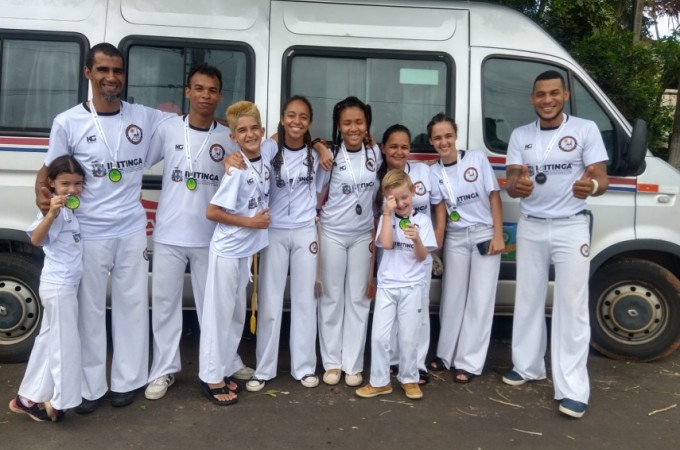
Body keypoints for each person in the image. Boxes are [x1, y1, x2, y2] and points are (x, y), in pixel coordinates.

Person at [34, 42, 173, 413]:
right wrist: (44, 203)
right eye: (103, 70)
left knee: (131, 305)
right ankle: (90, 387)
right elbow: (49, 172)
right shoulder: (68, 121)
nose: (112, 78)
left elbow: (193, 127)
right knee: (90, 310)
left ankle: (127, 381)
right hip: (88, 230)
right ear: (88, 74)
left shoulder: (143, 116)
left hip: (130, 227)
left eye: (117, 71)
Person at [503, 70, 609, 419]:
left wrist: (590, 188)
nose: (546, 100)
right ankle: (528, 365)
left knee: (571, 306)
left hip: (571, 227)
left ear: (564, 95)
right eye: (540, 95)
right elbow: (514, 177)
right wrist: (517, 186)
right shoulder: (521, 135)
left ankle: (573, 389)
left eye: (553, 94)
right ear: (532, 99)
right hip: (532, 225)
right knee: (528, 297)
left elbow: (600, 177)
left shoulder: (584, 130)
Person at [144, 63, 250, 401]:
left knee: (217, 308)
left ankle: (223, 362)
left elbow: (260, 156)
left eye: (212, 90)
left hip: (211, 237)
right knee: (164, 306)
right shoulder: (167, 129)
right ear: (187, 92)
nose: (206, 96)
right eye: (199, 89)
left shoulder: (228, 138)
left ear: (220, 96)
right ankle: (163, 369)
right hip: (169, 234)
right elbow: (135, 163)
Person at [245, 96, 327, 392]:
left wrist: (317, 144)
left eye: (303, 117)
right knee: (269, 300)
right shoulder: (268, 148)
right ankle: (264, 369)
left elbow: (317, 191)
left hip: (305, 231)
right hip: (274, 231)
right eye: (291, 115)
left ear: (310, 122)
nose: (296, 121)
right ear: (282, 119)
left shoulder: (317, 155)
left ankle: (304, 367)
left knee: (306, 301)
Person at [198, 100, 273, 405]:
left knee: (235, 314)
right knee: (219, 315)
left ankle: (227, 364)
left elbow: (286, 138)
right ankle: (210, 376)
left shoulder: (264, 154)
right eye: (242, 130)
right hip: (228, 250)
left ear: (263, 131)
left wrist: (319, 144)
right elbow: (212, 212)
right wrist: (251, 222)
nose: (250, 134)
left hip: (245, 251)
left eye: (255, 128)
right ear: (233, 137)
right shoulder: (236, 170)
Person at [427, 113, 504, 383]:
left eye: (447, 135)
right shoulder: (432, 172)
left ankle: (468, 362)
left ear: (455, 136)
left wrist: (498, 234)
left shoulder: (476, 159)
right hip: (456, 238)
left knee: (480, 300)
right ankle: (445, 355)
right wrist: (437, 243)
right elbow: (441, 211)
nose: (443, 141)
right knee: (452, 297)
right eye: (437, 138)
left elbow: (494, 196)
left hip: (484, 234)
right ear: (431, 141)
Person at [10, 156, 86, 422]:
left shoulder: (75, 208)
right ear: (52, 183)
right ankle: (60, 401)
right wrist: (51, 213)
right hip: (58, 285)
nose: (72, 189)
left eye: (78, 183)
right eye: (65, 183)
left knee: (48, 340)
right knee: (66, 343)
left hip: (69, 283)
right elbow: (36, 239)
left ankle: (26, 398)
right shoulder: (49, 210)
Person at [318, 96, 382, 387]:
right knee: (331, 298)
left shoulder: (375, 153)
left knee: (358, 299)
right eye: (347, 123)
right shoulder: (329, 154)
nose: (353, 128)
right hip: (332, 233)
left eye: (359, 122)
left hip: (362, 235)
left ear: (367, 124)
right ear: (338, 126)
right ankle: (332, 363)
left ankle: (352, 365)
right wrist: (317, 144)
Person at [355, 169, 436, 401]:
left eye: (404, 197)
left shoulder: (422, 221)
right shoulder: (385, 220)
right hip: (388, 287)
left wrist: (417, 239)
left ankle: (409, 378)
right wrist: (388, 214)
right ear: (386, 199)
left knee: (409, 337)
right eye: (394, 199)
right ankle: (380, 381)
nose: (401, 203)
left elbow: (422, 256)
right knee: (380, 336)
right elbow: (387, 245)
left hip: (412, 287)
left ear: (412, 193)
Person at [376, 125, 435, 385]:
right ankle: (392, 363)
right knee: (394, 318)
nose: (399, 151)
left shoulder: (422, 171)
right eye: (393, 146)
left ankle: (416, 366)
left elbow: (439, 206)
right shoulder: (379, 175)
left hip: (417, 251)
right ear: (383, 149)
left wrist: (429, 242)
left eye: (404, 146)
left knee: (416, 317)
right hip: (392, 256)